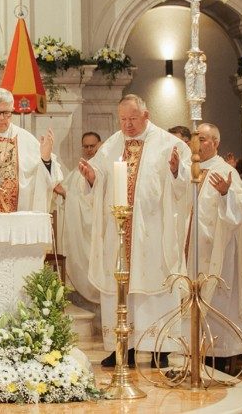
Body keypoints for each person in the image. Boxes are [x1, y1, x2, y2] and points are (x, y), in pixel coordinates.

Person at [78, 94, 191, 368]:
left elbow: (185, 188)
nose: (127, 125)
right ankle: (121, 347)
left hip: (152, 230)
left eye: (132, 119)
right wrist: (93, 179)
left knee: (154, 285)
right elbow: (100, 175)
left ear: (146, 116)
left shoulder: (170, 144)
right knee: (119, 285)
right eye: (123, 119)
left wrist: (177, 173)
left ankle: (159, 349)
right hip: (118, 229)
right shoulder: (113, 144)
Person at [184, 123, 242, 371]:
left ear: (216, 143)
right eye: (196, 138)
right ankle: (193, 359)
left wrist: (225, 195)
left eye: (205, 139)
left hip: (217, 254)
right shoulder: (191, 169)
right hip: (191, 254)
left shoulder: (223, 171)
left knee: (216, 309)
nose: (199, 143)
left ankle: (217, 362)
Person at [54, 132, 102, 305]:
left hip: (96, 230)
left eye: (92, 146)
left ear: (100, 145)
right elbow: (68, 192)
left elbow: (93, 201)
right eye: (86, 146)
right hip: (78, 229)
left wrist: (66, 193)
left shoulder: (103, 168)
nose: (89, 150)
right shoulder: (78, 170)